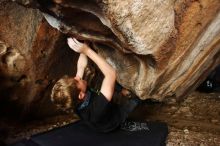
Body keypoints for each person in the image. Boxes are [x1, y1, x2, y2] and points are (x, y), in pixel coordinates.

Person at [51, 37, 140, 133]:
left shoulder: (75, 97)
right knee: (137, 97)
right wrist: (87, 51)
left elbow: (81, 66)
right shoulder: (95, 110)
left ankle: (121, 91)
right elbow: (111, 74)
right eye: (76, 81)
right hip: (112, 122)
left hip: (101, 108)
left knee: (105, 83)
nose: (77, 77)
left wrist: (85, 45)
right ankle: (137, 101)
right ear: (81, 95)